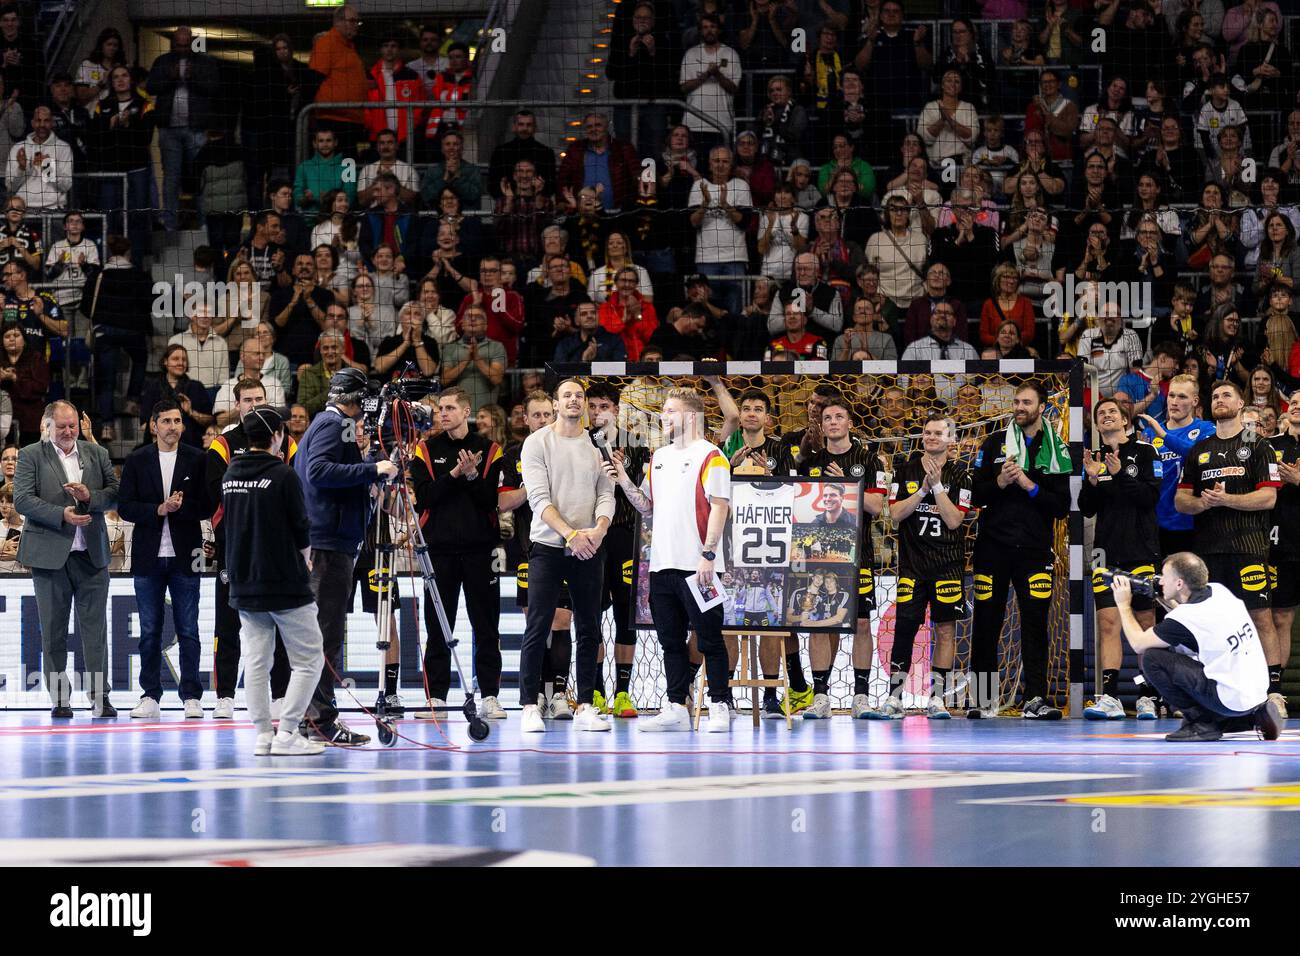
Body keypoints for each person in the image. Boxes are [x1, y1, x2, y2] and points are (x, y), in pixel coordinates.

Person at [605, 388, 734, 732]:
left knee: (709, 639)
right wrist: (623, 482)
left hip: (699, 567)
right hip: (662, 567)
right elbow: (646, 506)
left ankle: (720, 704)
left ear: (690, 417)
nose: (662, 417)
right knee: (670, 641)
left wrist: (708, 555)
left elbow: (720, 506)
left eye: (669, 411)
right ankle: (677, 704)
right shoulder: (658, 456)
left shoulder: (712, 456)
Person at [293, 367, 398, 744]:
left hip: (327, 539)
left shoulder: (324, 423)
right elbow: (319, 471)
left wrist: (363, 484)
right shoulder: (333, 423)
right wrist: (372, 469)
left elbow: (310, 473)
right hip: (329, 544)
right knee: (326, 635)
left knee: (324, 633)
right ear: (356, 398)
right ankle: (319, 721)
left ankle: (313, 718)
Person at [222, 406, 329, 756]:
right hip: (284, 582)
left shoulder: (230, 473)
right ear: (277, 435)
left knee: (255, 659)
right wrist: (306, 559)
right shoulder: (283, 474)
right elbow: (301, 528)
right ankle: (288, 733)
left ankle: (263, 735)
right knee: (309, 658)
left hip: (243, 580)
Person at [516, 380, 616, 734]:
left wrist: (598, 531)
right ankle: (529, 705)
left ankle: (586, 704)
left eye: (579, 396)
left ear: (585, 404)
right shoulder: (537, 442)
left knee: (589, 628)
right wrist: (571, 534)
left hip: (589, 547)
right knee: (538, 624)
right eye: (567, 395)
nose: (574, 400)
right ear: (556, 404)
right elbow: (539, 500)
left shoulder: (597, 445)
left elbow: (607, 494)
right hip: (549, 546)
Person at [1175, 380, 1283, 708]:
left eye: (1226, 395)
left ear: (1240, 405)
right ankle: (1216, 693)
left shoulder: (1260, 445)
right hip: (1207, 552)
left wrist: (1226, 499)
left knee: (1261, 615)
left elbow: (1268, 498)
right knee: (1212, 621)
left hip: (1248, 546)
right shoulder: (1199, 450)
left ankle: (1272, 693)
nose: (1220, 399)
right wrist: (1204, 504)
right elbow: (1181, 500)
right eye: (1215, 395)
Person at [970, 381, 1071, 719]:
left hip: (1033, 550)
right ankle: (982, 700)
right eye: (1016, 401)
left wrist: (1028, 485)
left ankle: (1035, 698)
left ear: (1042, 407)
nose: (1019, 407)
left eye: (1026, 402)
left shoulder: (1055, 448)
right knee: (986, 623)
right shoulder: (996, 441)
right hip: (992, 548)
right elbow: (975, 494)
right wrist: (999, 482)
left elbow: (1061, 506)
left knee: (1035, 624)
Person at [13, 400, 118, 717]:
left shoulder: (96, 453)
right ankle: (60, 699)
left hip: (92, 556)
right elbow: (22, 500)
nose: (69, 431)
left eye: (72, 425)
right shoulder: (31, 454)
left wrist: (90, 497)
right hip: (49, 558)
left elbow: (114, 491)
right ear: (47, 426)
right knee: (53, 631)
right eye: (62, 426)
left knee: (95, 631)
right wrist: (62, 514)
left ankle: (100, 697)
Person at [409, 386, 506, 720]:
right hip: (439, 550)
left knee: (487, 626)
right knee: (438, 626)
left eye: (450, 408)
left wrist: (473, 475)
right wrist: (455, 475)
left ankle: (490, 696)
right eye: (440, 409)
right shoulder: (425, 449)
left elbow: (489, 500)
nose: (443, 414)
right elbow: (424, 498)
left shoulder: (490, 449)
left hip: (480, 550)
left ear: (467, 411)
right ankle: (436, 697)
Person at [1111, 554, 1281, 743]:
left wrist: (1123, 604)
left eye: (1164, 576)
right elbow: (1190, 618)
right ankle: (1250, 718)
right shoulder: (1219, 592)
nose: (1160, 581)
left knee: (1152, 658)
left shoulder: (1186, 617)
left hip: (1228, 699)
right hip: (1255, 694)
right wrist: (1162, 598)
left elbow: (1138, 643)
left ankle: (1201, 724)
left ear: (1179, 583)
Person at [793, 393, 889, 720]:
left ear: (849, 423)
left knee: (861, 623)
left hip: (859, 554)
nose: (833, 423)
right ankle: (821, 697)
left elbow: (877, 507)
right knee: (821, 623)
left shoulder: (869, 460)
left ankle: (860, 698)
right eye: (827, 419)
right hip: (821, 555)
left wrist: (845, 486)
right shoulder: (809, 463)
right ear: (821, 427)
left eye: (838, 417)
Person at [206, 378, 298, 720]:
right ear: (237, 404)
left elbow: (294, 488)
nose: (255, 405)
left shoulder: (285, 441)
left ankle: (280, 695)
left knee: (277, 620)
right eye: (248, 400)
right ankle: (225, 695)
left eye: (260, 399)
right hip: (235, 544)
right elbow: (216, 494)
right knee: (227, 622)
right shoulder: (222, 444)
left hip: (275, 545)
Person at [117, 400, 208, 719]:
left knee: (189, 629)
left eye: (178, 420)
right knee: (150, 630)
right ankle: (150, 695)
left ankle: (192, 696)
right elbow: (125, 506)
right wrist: (158, 509)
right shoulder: (137, 460)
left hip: (187, 556)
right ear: (153, 426)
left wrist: (182, 508)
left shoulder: (198, 459)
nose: (173, 426)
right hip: (147, 557)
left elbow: (209, 505)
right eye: (166, 421)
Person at [1080, 398, 1163, 721]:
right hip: (1106, 552)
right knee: (1107, 623)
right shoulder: (1094, 457)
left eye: (1112, 412)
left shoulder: (1145, 452)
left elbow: (1150, 498)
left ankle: (1147, 695)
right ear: (1097, 424)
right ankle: (1110, 697)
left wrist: (1121, 476)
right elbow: (1088, 508)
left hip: (1141, 550)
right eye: (1101, 414)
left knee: (1145, 624)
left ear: (1124, 419)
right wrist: (1092, 479)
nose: (1107, 416)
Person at [886, 413, 972, 719]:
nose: (931, 437)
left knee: (946, 631)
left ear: (951, 440)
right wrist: (922, 490)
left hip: (947, 564)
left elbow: (953, 520)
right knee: (905, 628)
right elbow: (895, 515)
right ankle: (895, 698)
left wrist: (936, 487)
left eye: (938, 433)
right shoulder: (904, 469)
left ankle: (937, 699)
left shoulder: (961, 475)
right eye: (927, 432)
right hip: (912, 564)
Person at [497, 390, 576, 718]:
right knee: (537, 622)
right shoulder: (514, 454)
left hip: (569, 544)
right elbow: (503, 502)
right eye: (537, 415)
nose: (543, 420)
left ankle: (559, 693)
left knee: (562, 620)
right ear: (525, 419)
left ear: (556, 412)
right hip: (530, 549)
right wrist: (535, 486)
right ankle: (538, 695)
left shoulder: (572, 446)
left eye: (548, 414)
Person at [146, 27, 220, 233]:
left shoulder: (205, 62)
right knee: (171, 178)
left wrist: (193, 77)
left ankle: (204, 223)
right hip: (169, 130)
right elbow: (150, 87)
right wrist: (169, 77)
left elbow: (214, 87)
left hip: (196, 130)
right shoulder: (162, 62)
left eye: (186, 45)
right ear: (172, 44)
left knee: (200, 177)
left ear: (192, 43)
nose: (182, 49)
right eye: (178, 45)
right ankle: (169, 223)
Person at [1265, 406, 1300, 719]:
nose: (1298, 405)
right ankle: (1273, 691)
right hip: (1282, 543)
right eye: (1295, 401)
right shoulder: (1273, 446)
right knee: (1280, 618)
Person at [679, 12, 741, 159]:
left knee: (719, 170)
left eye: (712, 26)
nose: (709, 30)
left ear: (719, 30)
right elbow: (683, 88)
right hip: (693, 124)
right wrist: (707, 74)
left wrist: (717, 74)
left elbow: (734, 88)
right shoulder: (691, 54)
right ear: (700, 31)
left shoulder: (731, 54)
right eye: (705, 27)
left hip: (721, 124)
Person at [308, 5, 367, 156]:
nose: (356, 25)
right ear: (338, 22)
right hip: (333, 121)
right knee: (333, 169)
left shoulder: (348, 47)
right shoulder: (327, 43)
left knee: (348, 170)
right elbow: (312, 80)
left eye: (358, 22)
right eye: (353, 21)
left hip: (350, 121)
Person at [5, 105, 73, 212]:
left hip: (54, 209)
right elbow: (11, 187)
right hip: (23, 210)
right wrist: (22, 169)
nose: (42, 125)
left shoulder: (63, 147)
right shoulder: (18, 148)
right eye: (38, 120)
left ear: (52, 123)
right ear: (32, 123)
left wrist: (47, 167)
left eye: (46, 121)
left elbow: (66, 186)